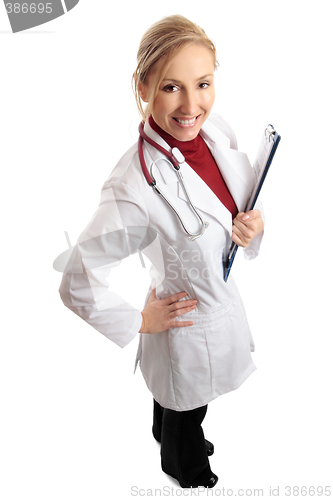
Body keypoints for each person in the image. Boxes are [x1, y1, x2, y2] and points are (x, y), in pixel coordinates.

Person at [59, 15, 264, 489]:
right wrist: (140, 320)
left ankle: (166, 431)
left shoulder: (217, 134)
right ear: (144, 84)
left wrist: (251, 225)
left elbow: (228, 202)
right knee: (187, 408)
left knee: (182, 399)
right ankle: (183, 468)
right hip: (185, 321)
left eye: (204, 84)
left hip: (211, 303)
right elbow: (77, 280)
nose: (192, 106)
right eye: (172, 87)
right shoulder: (132, 184)